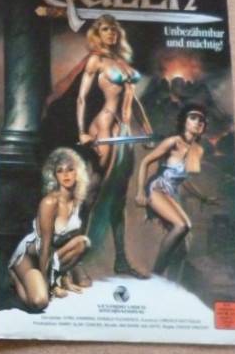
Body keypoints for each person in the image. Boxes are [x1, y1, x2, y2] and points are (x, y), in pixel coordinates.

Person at [40, 14, 153, 279]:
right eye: (105, 29)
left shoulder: (122, 62)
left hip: (123, 132)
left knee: (119, 198)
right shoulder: (95, 61)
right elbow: (81, 98)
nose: (110, 33)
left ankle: (121, 260)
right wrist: (81, 131)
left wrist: (146, 128)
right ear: (97, 34)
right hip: (104, 128)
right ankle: (72, 258)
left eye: (113, 29)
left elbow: (132, 100)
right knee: (92, 192)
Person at [135, 103, 217, 276]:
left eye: (201, 120)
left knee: (183, 247)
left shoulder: (197, 150)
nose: (198, 122)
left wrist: (202, 197)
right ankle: (155, 276)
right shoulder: (173, 142)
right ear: (184, 122)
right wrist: (140, 192)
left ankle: (168, 284)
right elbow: (145, 162)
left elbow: (183, 180)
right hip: (157, 189)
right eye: (193, 118)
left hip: (171, 194)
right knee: (182, 226)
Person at [8, 148, 92, 311]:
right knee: (40, 302)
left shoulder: (77, 202)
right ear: (54, 176)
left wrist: (66, 279)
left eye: (70, 169)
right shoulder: (50, 202)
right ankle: (15, 276)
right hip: (30, 257)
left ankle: (53, 281)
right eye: (60, 171)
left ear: (78, 173)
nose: (66, 175)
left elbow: (70, 240)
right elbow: (44, 247)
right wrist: (47, 286)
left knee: (83, 243)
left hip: (51, 256)